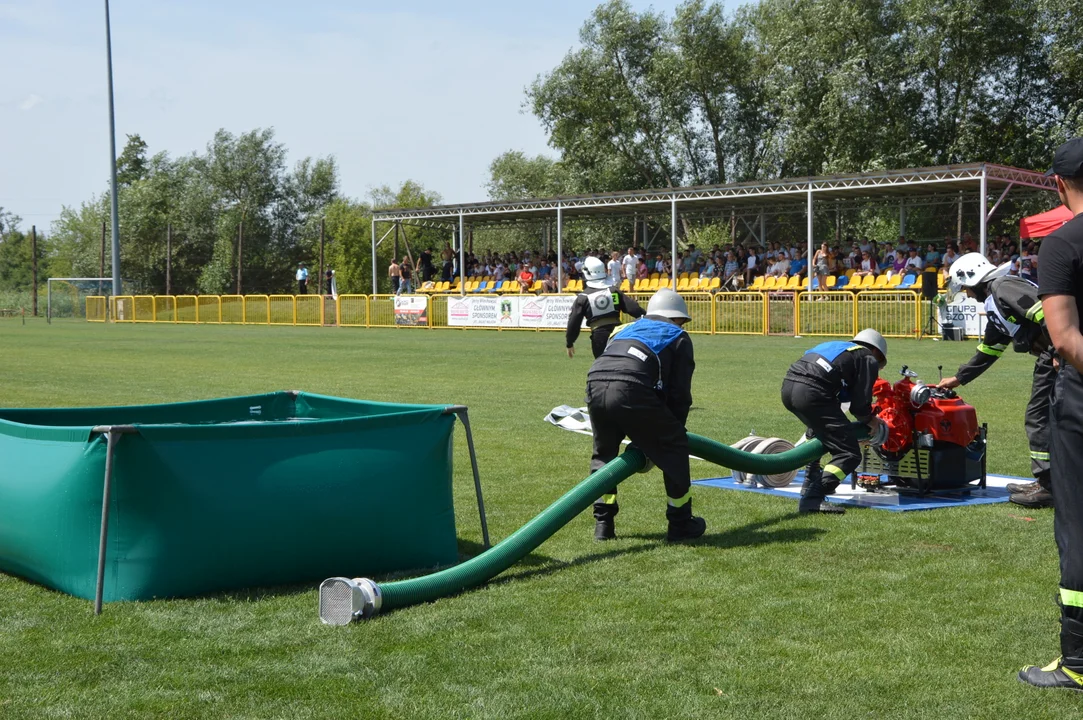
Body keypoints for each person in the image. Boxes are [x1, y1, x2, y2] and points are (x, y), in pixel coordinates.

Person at [1019, 137, 1083, 690]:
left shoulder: (1063, 245)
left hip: (1081, 405)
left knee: (1078, 527)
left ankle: (1078, 665)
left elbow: (1064, 338)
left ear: (1059, 187)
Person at [586, 288, 706, 542]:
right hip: (631, 387)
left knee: (603, 455)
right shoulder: (678, 336)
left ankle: (603, 526)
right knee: (675, 447)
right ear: (676, 318)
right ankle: (680, 522)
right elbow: (679, 395)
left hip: (594, 382)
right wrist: (671, 434)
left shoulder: (622, 329)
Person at [937, 252, 1054, 508]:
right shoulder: (995, 301)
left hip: (1055, 354)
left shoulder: (1004, 287)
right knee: (1050, 416)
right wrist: (958, 378)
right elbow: (990, 349)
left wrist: (1059, 350)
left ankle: (1048, 486)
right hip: (1053, 355)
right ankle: (1048, 481)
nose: (967, 294)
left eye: (966, 288)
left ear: (974, 279)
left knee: (1039, 417)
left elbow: (1048, 313)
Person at [781, 329, 887, 514]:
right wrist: (871, 421)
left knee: (818, 431)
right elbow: (859, 405)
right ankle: (813, 498)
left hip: (788, 387)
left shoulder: (838, 347)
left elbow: (839, 400)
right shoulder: (867, 357)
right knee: (849, 453)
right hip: (812, 392)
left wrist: (845, 430)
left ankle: (810, 479)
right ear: (877, 352)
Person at [566, 256, 646, 359]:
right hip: (618, 333)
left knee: (603, 365)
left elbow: (574, 322)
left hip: (599, 336)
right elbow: (634, 309)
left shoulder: (583, 298)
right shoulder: (613, 291)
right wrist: (651, 320)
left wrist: (570, 342)